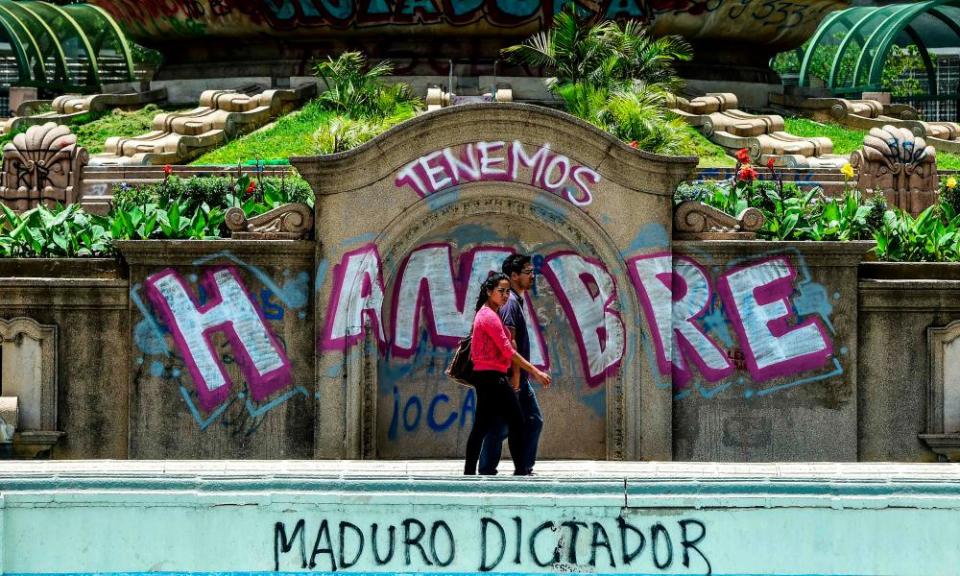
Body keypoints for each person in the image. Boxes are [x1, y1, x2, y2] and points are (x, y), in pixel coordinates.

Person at [465, 273, 551, 476]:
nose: (505, 296)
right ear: (489, 292)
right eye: (500, 291)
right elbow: (508, 350)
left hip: (487, 377)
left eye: (507, 292)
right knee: (517, 422)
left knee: (482, 426)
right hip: (493, 378)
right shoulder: (488, 316)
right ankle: (521, 471)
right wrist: (535, 371)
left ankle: (470, 473)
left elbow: (507, 344)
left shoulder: (488, 314)